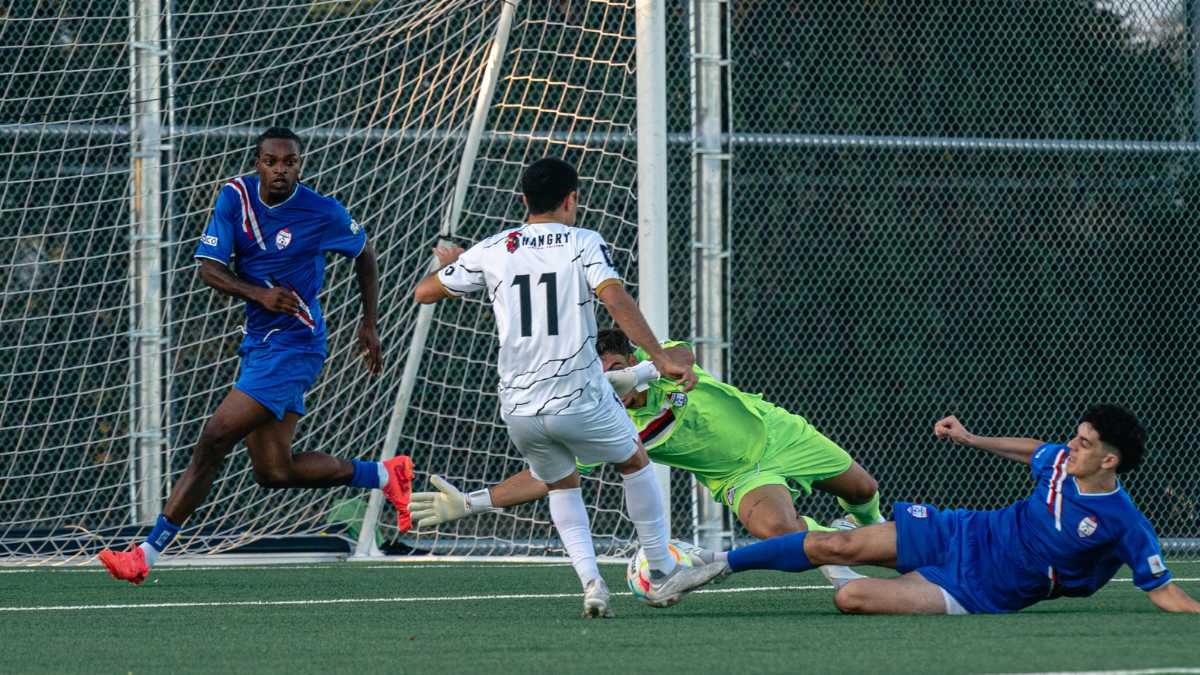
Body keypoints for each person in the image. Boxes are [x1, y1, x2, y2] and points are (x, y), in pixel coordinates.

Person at [412, 157, 725, 617]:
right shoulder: (582, 241)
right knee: (633, 461)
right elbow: (614, 296)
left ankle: (592, 584)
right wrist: (659, 356)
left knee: (561, 483)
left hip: (518, 408)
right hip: (576, 395)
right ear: (571, 199)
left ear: (523, 201)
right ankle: (660, 569)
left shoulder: (493, 249)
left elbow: (424, 292)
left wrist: (464, 267)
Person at [98, 128, 413, 584]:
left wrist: (369, 323)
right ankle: (385, 476)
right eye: (271, 162)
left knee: (214, 438)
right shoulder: (234, 196)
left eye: (289, 163)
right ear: (257, 162)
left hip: (295, 345)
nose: (280, 170)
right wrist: (259, 295)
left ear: (300, 165)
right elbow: (209, 268)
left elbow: (365, 253)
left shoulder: (321, 211)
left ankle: (147, 553)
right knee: (273, 471)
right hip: (260, 343)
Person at [678, 405, 1200, 615]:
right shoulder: (1062, 461)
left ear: (1110, 460)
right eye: (1076, 435)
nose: (1072, 444)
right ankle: (714, 567)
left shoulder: (1125, 524)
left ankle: (877, 572)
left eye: (1085, 443)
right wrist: (971, 438)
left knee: (852, 598)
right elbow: (1033, 448)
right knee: (834, 543)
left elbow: (1165, 591)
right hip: (965, 531)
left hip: (980, 588)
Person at [411, 328, 885, 543]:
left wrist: (638, 372)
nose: (605, 380)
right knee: (781, 533)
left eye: (611, 369)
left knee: (864, 489)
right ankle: (847, 540)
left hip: (780, 432)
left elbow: (682, 353)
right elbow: (546, 477)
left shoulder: (657, 365)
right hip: (740, 474)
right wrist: (472, 503)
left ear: (626, 358)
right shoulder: (602, 423)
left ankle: (867, 522)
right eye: (594, 376)